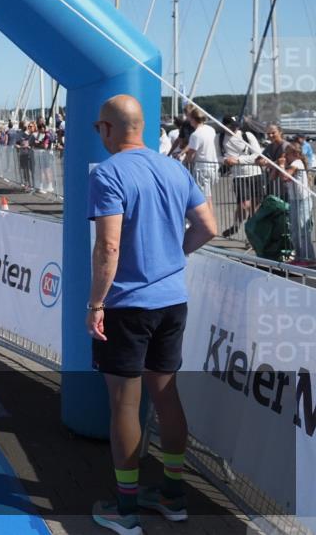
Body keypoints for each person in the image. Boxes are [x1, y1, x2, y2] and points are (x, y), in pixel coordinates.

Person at [87, 95, 216, 534]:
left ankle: (126, 511)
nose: (98, 135)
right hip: (171, 300)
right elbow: (208, 227)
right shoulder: (175, 168)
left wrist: (95, 304)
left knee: (124, 404)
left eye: (98, 128)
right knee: (166, 395)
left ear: (108, 128)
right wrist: (171, 258)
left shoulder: (109, 173)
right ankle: (173, 496)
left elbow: (108, 247)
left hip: (127, 305)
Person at [219, 115, 263, 237]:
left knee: (255, 207)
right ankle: (237, 225)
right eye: (231, 126)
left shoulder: (247, 135)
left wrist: (238, 160)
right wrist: (225, 160)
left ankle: (252, 236)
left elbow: (257, 154)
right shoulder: (219, 138)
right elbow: (217, 156)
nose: (235, 128)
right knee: (244, 205)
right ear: (224, 126)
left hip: (255, 173)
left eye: (236, 126)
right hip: (238, 176)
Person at [284, 142, 314, 261]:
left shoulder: (297, 162)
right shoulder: (291, 164)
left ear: (295, 154)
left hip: (302, 200)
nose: (285, 156)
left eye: (287, 154)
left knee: (303, 231)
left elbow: (285, 176)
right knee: (294, 231)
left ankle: (308, 257)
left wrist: (281, 165)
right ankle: (299, 256)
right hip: (294, 199)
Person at [183, 106, 219, 204]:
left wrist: (183, 163)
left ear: (193, 119)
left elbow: (191, 155)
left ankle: (208, 214)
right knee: (208, 197)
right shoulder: (211, 129)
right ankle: (211, 214)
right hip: (213, 167)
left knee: (204, 200)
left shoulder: (196, 135)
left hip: (202, 169)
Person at [258, 124, 290, 201]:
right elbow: (258, 159)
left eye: (273, 133)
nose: (270, 135)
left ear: (280, 132)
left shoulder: (286, 146)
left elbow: (281, 160)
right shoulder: (269, 146)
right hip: (272, 184)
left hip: (285, 185)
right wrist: (263, 162)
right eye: (268, 133)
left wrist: (266, 163)